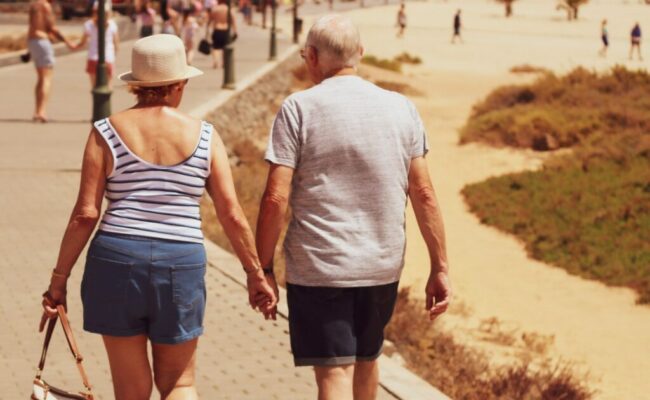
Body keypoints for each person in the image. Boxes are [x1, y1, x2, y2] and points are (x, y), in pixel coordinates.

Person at [39, 34, 277, 400]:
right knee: (179, 383)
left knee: (131, 391)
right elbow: (230, 213)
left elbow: (86, 214)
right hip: (180, 261)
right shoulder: (205, 136)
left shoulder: (105, 131)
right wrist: (255, 274)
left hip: (116, 259)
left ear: (135, 85)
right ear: (179, 84)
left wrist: (59, 280)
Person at [256, 15, 451, 400]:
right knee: (367, 359)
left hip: (322, 266)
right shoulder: (401, 107)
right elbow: (424, 192)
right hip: (381, 264)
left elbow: (276, 197)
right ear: (360, 53)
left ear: (311, 56)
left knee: (334, 376)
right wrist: (439, 266)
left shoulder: (299, 108)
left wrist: (261, 267)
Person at [27, 0, 73, 123]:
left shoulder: (33, 4)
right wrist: (67, 41)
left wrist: (28, 50)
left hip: (33, 41)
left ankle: (37, 111)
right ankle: (41, 112)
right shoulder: (45, 6)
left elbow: (32, 26)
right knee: (46, 78)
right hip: (42, 41)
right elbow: (52, 27)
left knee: (40, 78)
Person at [73, 3, 120, 89]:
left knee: (94, 86)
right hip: (108, 58)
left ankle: (97, 102)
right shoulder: (112, 24)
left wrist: (73, 46)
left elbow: (82, 42)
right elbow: (116, 43)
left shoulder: (89, 24)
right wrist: (114, 55)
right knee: (108, 85)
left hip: (93, 57)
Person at [208, 0, 237, 69]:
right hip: (226, 30)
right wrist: (235, 31)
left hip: (217, 29)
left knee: (215, 47)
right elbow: (233, 21)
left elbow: (210, 20)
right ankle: (224, 62)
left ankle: (215, 61)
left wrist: (207, 31)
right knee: (225, 47)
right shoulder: (229, 9)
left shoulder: (215, 9)